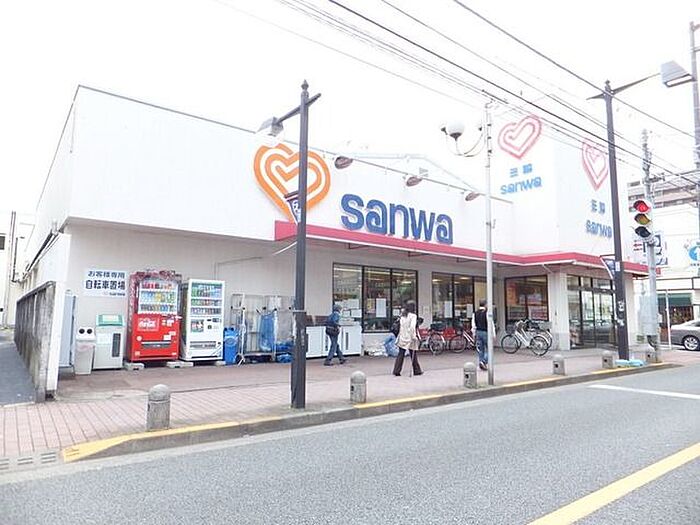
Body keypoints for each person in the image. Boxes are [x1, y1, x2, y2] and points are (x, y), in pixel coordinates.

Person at [392, 301, 422, 376]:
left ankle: (396, 370)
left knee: (401, 354)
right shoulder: (413, 316)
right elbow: (412, 327)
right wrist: (414, 336)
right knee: (413, 354)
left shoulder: (402, 315)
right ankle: (417, 370)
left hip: (402, 336)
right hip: (410, 337)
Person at [471, 300, 489, 370]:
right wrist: (493, 334)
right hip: (485, 332)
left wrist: (474, 334)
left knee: (481, 349)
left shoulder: (475, 313)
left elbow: (473, 325)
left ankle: (481, 363)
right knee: (489, 349)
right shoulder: (487, 312)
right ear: (485, 304)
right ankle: (483, 361)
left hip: (478, 332)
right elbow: (490, 323)